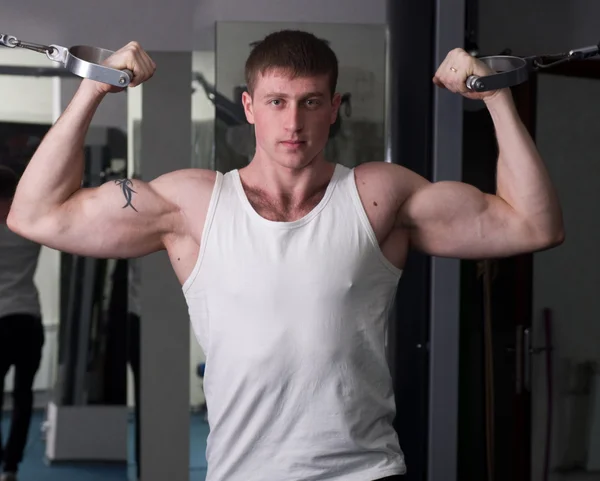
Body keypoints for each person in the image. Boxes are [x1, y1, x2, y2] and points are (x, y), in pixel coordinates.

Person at [7, 30, 564, 481]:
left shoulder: (377, 196)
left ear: (334, 108)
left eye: (310, 102)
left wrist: (496, 95)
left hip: (367, 472)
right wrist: (94, 86)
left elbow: (532, 224)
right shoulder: (193, 204)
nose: (293, 122)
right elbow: (36, 215)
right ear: (249, 107)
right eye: (276, 102)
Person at [0, 165, 45, 481]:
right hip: (28, 320)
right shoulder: (28, 226)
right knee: (23, 396)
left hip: (2, 323)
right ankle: (11, 467)